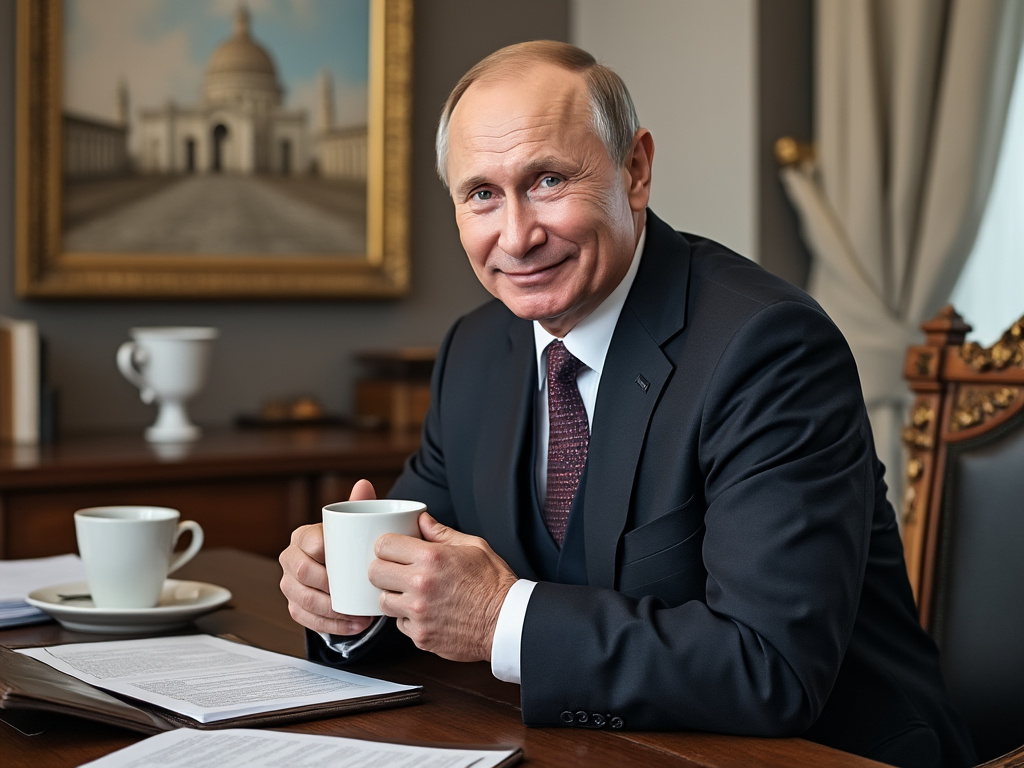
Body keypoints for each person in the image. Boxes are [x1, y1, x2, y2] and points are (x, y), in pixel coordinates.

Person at [280, 41, 975, 767]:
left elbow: (771, 668)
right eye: (481, 193)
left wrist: (498, 616)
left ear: (635, 169)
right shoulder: (477, 349)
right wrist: (349, 602)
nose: (515, 236)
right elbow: (426, 579)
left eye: (547, 180)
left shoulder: (769, 347)